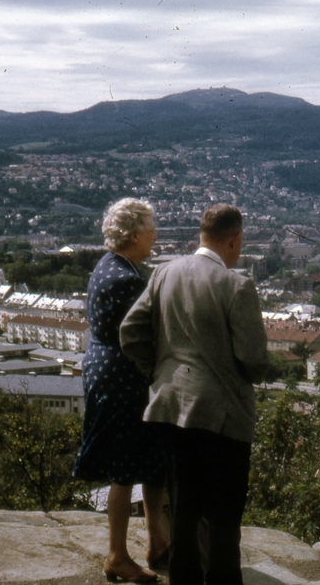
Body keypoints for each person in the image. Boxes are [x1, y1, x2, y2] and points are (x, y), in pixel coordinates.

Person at [121, 203, 270, 585]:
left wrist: (158, 371)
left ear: (201, 236)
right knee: (223, 514)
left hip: (170, 405)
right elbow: (253, 360)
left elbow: (131, 332)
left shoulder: (163, 273)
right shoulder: (237, 286)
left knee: (184, 506)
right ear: (234, 240)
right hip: (223, 415)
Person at [73, 198, 169, 584]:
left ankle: (158, 540)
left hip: (109, 369)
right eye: (150, 229)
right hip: (121, 376)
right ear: (133, 236)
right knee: (125, 466)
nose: (155, 236)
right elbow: (150, 331)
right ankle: (117, 555)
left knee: (149, 456)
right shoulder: (126, 279)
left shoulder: (108, 265)